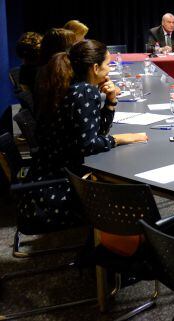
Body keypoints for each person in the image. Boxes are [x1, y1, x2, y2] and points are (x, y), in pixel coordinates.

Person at [27, 40, 147, 223]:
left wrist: (110, 101)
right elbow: (88, 145)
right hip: (62, 185)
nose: (110, 69)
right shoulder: (84, 92)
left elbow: (95, 132)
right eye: (108, 64)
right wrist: (120, 139)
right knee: (130, 177)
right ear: (95, 67)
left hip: (44, 175)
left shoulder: (69, 84)